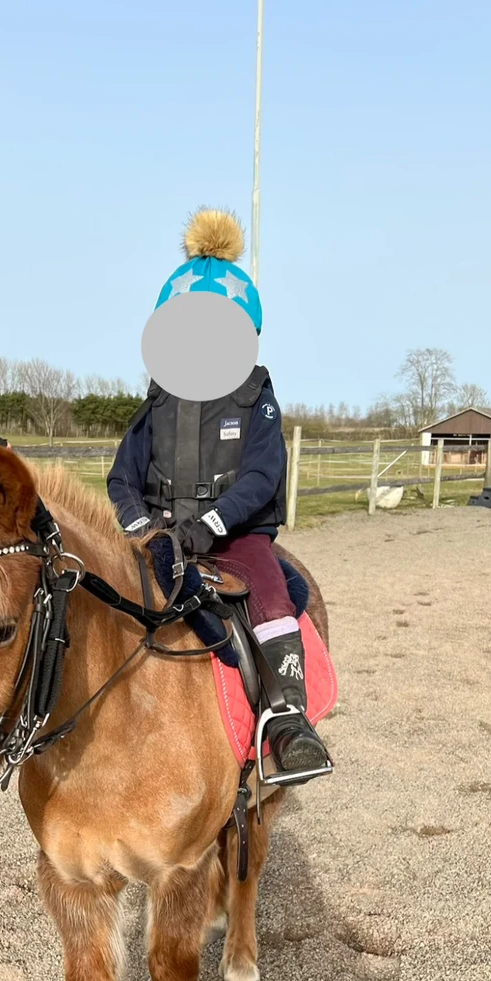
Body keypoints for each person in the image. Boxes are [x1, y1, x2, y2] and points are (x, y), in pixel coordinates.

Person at [108, 209, 331, 780]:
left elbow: (262, 477)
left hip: (234, 539)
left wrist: (208, 524)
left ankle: (287, 717)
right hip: (158, 537)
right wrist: (139, 527)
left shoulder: (255, 395)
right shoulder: (158, 398)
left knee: (271, 589)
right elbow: (122, 478)